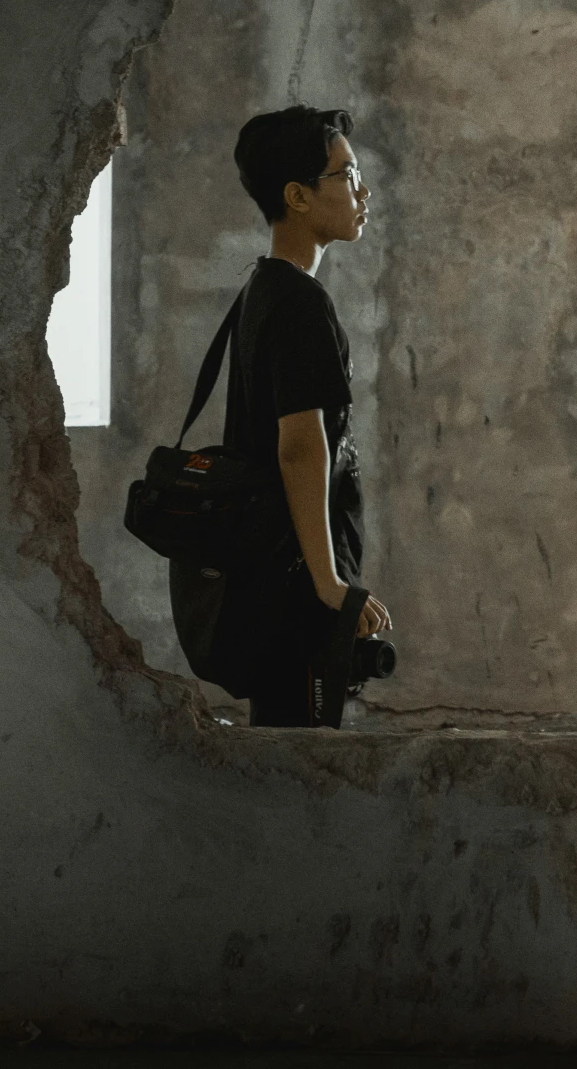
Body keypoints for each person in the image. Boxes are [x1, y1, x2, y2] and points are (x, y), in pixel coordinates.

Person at [224, 104, 392, 727]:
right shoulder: (298, 303)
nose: (361, 190)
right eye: (346, 176)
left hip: (273, 572)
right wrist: (328, 583)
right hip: (295, 583)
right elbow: (300, 444)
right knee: (302, 751)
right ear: (297, 196)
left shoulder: (264, 287)